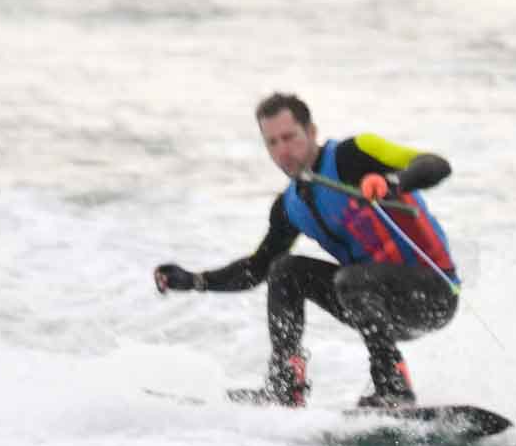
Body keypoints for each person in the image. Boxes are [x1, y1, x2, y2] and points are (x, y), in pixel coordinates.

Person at [152, 93, 460, 407]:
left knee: (351, 280)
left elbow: (437, 165)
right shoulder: (290, 206)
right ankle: (286, 386)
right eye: (272, 143)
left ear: (311, 132)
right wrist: (196, 280)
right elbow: (257, 269)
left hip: (432, 294)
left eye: (289, 137)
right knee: (285, 270)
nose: (282, 151)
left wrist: (394, 183)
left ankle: (392, 387)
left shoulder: (354, 155)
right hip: (373, 305)